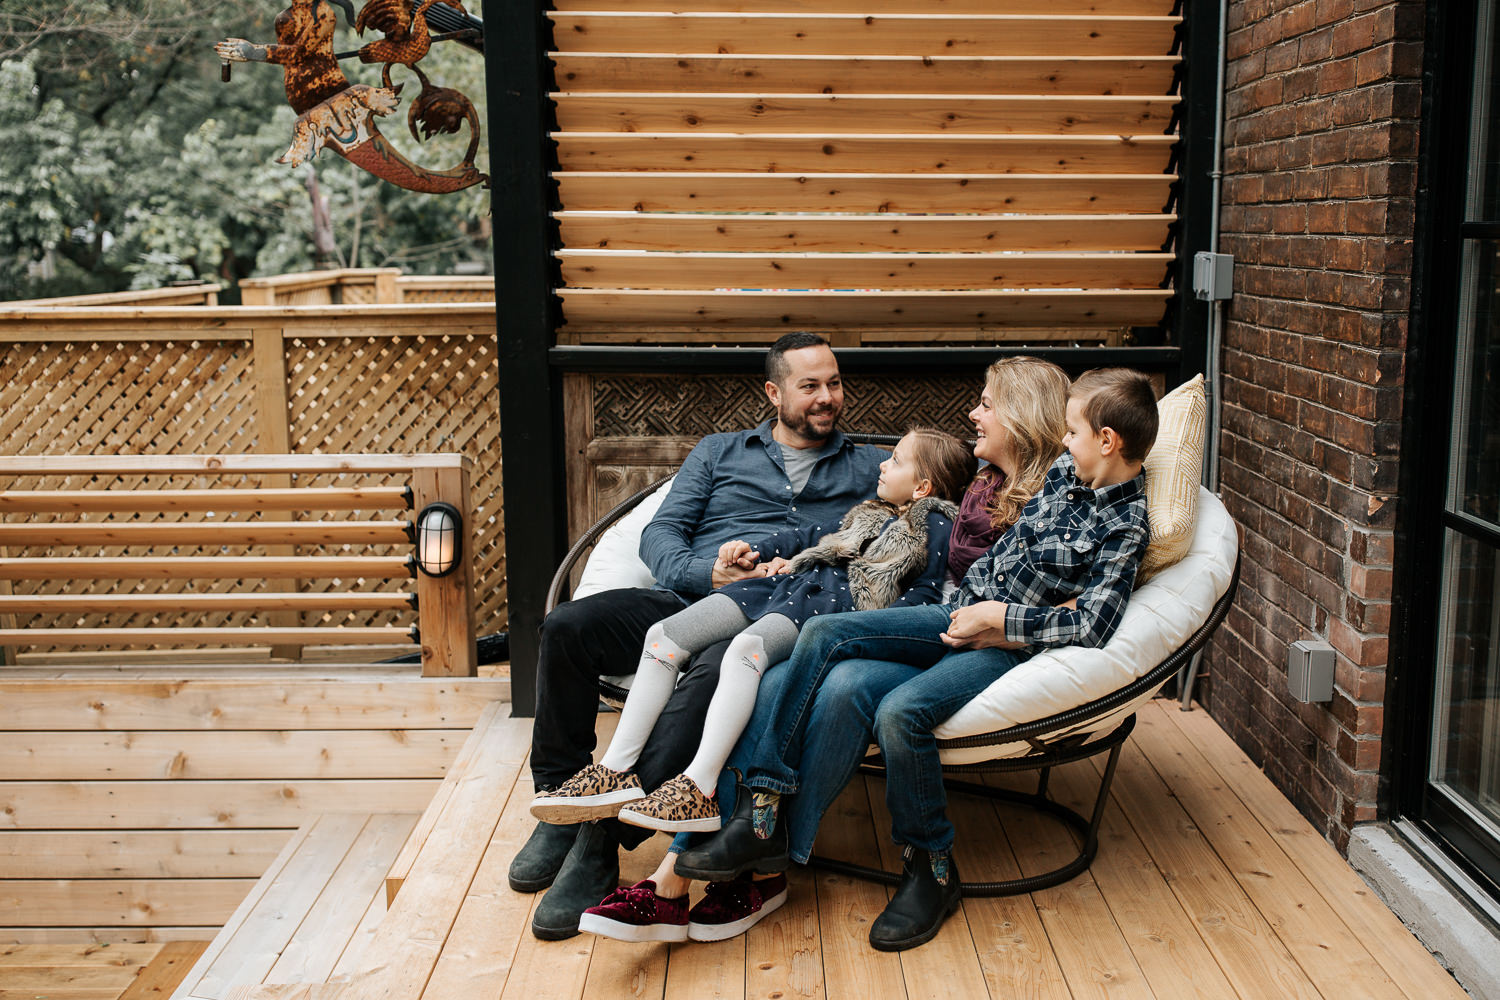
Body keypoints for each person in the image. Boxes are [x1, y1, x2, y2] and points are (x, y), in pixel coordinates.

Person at [570, 356, 1073, 944]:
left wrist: (1005, 620)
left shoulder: (1061, 493)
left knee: (840, 683)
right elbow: (860, 532)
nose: (972, 413)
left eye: (986, 404)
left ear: (1022, 414)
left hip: (955, 631)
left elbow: (1050, 587)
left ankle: (758, 847)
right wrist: (787, 557)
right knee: (773, 679)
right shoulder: (982, 484)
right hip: (928, 622)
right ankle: (687, 873)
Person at [675, 367, 1158, 953]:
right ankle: (761, 815)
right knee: (825, 633)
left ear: (1108, 441)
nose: (1063, 440)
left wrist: (1001, 622)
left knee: (901, 714)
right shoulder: (1064, 474)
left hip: (1003, 644)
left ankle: (930, 870)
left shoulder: (1126, 524)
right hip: (954, 612)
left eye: (1074, 431)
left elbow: (1096, 623)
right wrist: (972, 605)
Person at [513, 331, 887, 941]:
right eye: (810, 385)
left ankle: (599, 837)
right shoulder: (718, 452)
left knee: (711, 672)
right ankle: (559, 802)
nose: (827, 398)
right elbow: (661, 534)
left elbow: (923, 519)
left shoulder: (873, 467)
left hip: (767, 611)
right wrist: (704, 571)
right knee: (567, 626)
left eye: (835, 383)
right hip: (683, 596)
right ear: (774, 392)